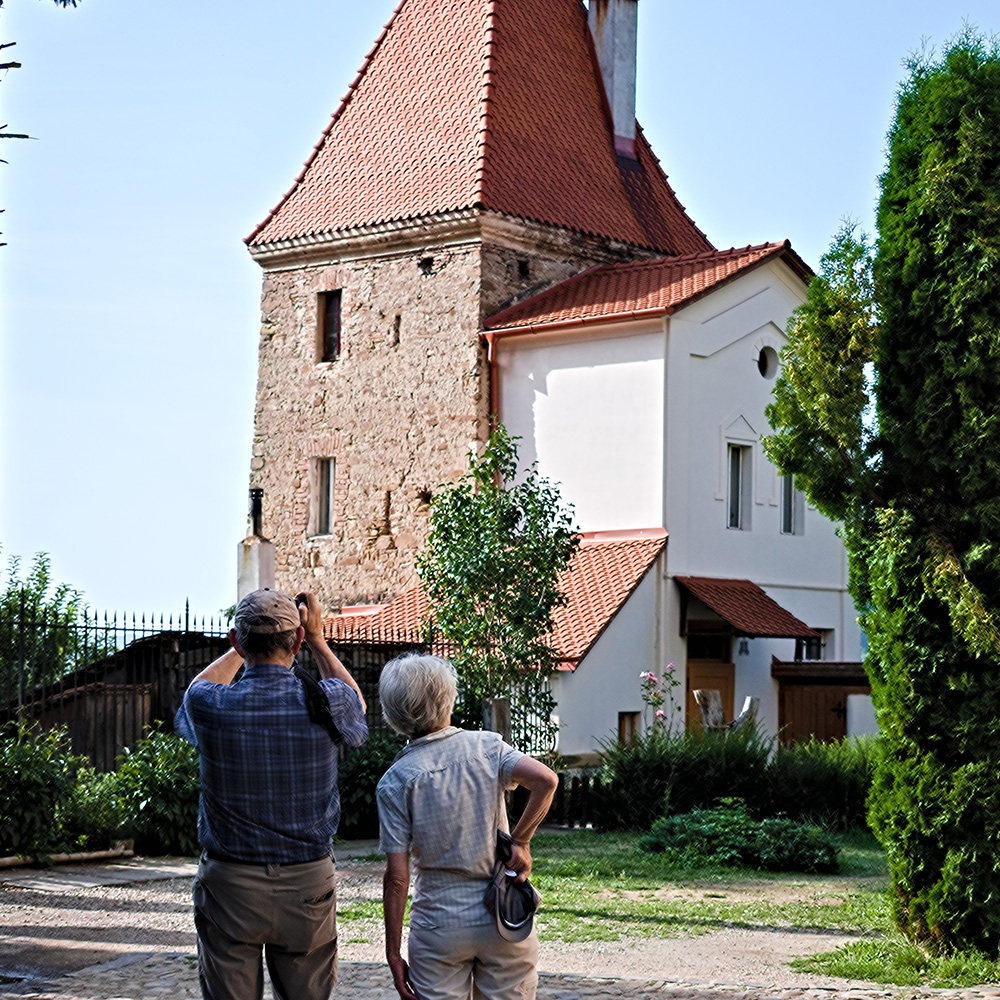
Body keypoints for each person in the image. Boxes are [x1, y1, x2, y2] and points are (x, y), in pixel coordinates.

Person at [174, 588, 368, 1000]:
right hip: (307, 886)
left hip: (230, 885)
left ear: (236, 642)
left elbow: (198, 685)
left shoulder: (211, 705)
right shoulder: (327, 702)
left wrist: (241, 648)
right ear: (296, 642)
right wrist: (317, 638)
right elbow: (356, 702)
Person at [377, 653, 558, 1000]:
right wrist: (521, 841)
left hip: (438, 924)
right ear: (448, 698)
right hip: (502, 915)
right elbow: (546, 780)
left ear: (393, 713)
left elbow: (397, 878)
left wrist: (392, 952)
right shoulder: (487, 746)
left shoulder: (395, 781)